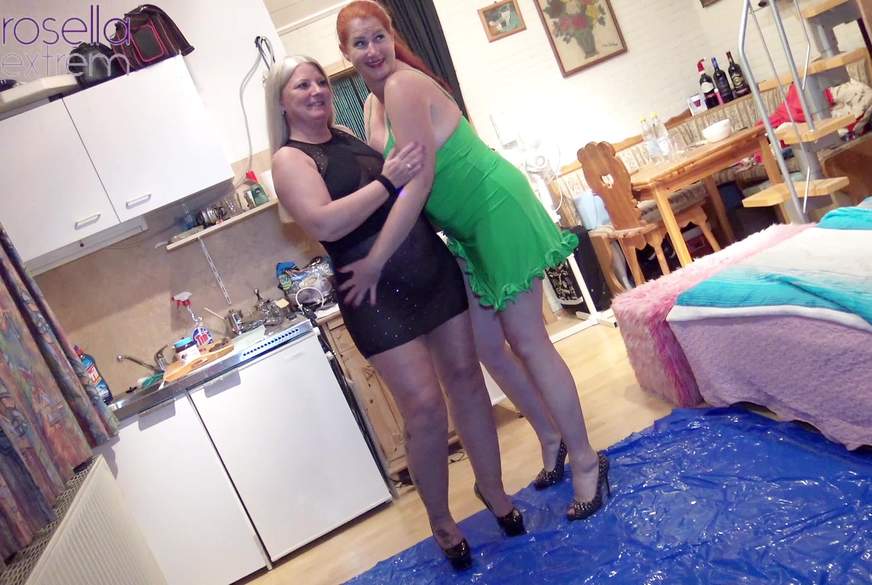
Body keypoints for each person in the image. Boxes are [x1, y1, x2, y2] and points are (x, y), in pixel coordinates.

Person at [336, 1, 610, 521]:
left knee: (528, 341)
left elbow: (415, 184)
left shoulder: (402, 86)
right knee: (488, 347)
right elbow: (388, 176)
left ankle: (587, 461)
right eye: (360, 43)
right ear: (345, 52)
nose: (372, 50)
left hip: (495, 210)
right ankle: (550, 438)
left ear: (393, 36)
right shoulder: (373, 103)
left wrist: (375, 259)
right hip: (465, 230)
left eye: (379, 37)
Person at [266, 55, 525, 570]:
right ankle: (441, 521)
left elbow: (415, 174)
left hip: (428, 266)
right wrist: (386, 181)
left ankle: (493, 490)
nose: (316, 91)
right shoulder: (289, 160)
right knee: (424, 408)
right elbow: (325, 223)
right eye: (302, 86)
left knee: (467, 382)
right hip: (372, 292)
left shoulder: (346, 135)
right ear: (281, 101)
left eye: (320, 81)